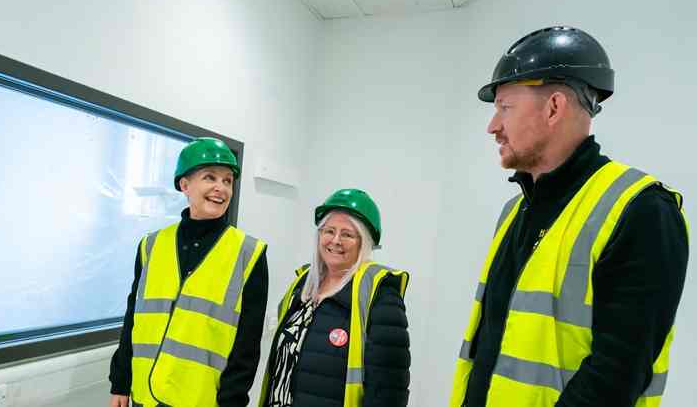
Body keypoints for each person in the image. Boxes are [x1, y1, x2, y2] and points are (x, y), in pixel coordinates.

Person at [449, 26, 689, 407]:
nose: (493, 127)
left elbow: (614, 378)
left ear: (554, 107)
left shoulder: (642, 211)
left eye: (505, 108)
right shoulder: (516, 211)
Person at [109, 137, 269, 407]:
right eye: (210, 177)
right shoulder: (151, 245)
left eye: (228, 181)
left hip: (202, 401)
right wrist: (120, 382)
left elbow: (247, 346)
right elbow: (132, 320)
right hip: (143, 398)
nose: (221, 188)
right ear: (184, 185)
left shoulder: (249, 253)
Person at [258, 188, 410, 407]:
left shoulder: (381, 297)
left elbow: (388, 392)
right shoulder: (302, 286)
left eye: (347, 234)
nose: (335, 240)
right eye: (329, 231)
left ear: (364, 243)